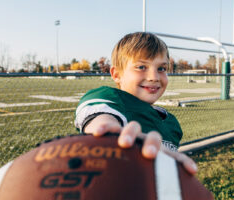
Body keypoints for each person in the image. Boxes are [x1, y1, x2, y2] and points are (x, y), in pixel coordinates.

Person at [74, 32, 197, 174]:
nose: (154, 77)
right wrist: (108, 134)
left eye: (161, 68)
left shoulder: (171, 123)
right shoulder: (113, 99)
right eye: (141, 67)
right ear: (117, 74)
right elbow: (98, 114)